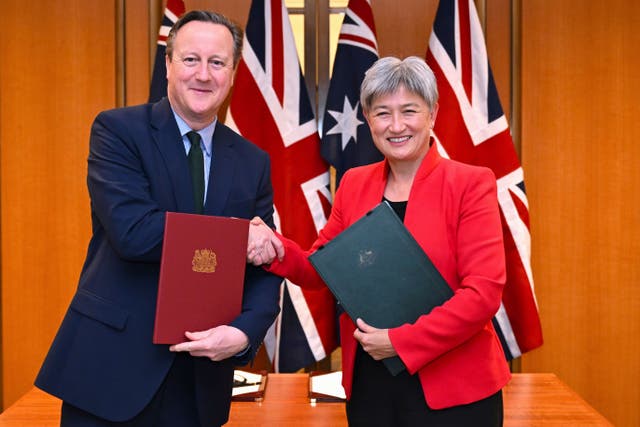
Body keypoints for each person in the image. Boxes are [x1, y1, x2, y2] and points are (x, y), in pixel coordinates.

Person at [35, 10, 282, 427]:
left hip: (201, 385)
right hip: (110, 374)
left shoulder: (252, 161)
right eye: (190, 59)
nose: (203, 74)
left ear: (234, 73)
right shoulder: (118, 131)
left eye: (217, 62)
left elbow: (268, 260)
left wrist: (243, 334)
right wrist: (238, 240)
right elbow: (134, 233)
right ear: (168, 65)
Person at [248, 56, 511, 426]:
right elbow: (323, 268)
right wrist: (273, 247)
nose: (397, 125)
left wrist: (401, 341)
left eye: (409, 111)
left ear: (433, 113)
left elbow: (482, 295)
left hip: (455, 391)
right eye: (383, 112)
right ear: (368, 119)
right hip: (372, 386)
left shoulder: (470, 183)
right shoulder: (355, 183)